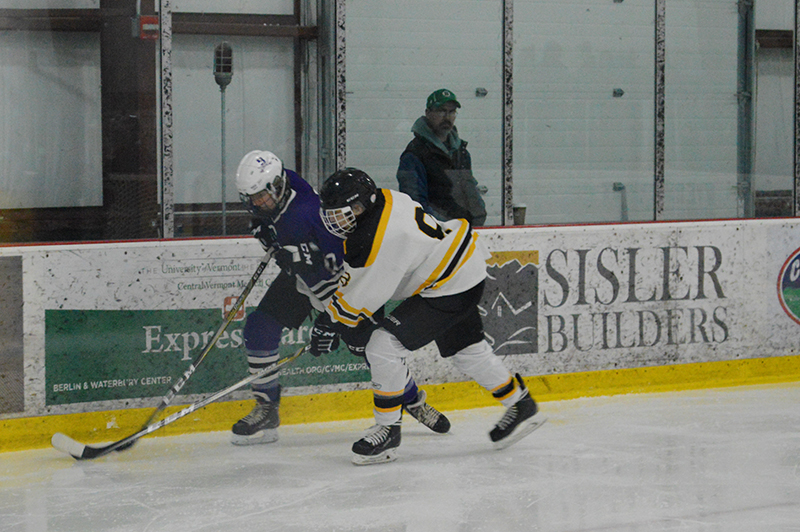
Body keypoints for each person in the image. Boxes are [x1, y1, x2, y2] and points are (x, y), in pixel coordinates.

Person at [309, 167, 542, 465]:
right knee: (467, 351)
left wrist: (329, 321)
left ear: (360, 206)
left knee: (381, 346)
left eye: (341, 212)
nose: (333, 220)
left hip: (449, 285)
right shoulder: (384, 199)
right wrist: (335, 318)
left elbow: (362, 297)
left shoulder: (377, 237)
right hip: (463, 268)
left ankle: (387, 430)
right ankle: (520, 402)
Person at [231, 150, 451, 445]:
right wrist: (266, 229)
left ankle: (412, 401)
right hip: (301, 279)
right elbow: (279, 229)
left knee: (373, 353)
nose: (256, 203)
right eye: (251, 198)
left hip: (342, 287)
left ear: (277, 186)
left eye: (260, 197)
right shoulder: (286, 185)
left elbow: (345, 261)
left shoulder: (310, 211)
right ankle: (266, 407)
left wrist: (303, 259)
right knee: (259, 328)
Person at [396, 88, 487, 226]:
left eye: (451, 112)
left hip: (464, 233)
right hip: (436, 237)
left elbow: (470, 192)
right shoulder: (414, 155)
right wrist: (449, 227)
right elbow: (415, 206)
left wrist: (478, 219)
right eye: (441, 111)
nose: (447, 117)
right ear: (428, 113)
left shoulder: (461, 153)